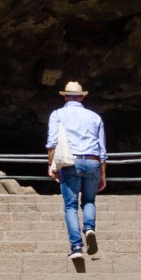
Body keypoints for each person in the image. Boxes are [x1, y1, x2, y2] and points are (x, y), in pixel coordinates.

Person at [45, 80, 106, 258]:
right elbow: (102, 149)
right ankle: (89, 229)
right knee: (89, 201)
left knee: (70, 206)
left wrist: (52, 166)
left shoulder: (57, 115)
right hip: (93, 161)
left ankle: (76, 247)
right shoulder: (95, 117)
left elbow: (52, 143)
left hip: (71, 162)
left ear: (65, 97)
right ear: (81, 97)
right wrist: (103, 174)